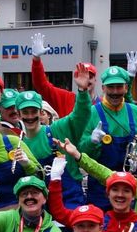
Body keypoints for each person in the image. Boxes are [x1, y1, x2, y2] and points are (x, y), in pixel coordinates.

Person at [12, 45, 93, 206]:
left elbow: (80, 115)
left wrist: (82, 91)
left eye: (33, 111)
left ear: (41, 111)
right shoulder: (16, 143)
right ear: (18, 114)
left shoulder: (57, 130)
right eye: (25, 112)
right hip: (38, 205)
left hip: (68, 199)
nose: (30, 116)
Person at [79, 66, 137, 208]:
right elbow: (81, 150)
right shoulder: (91, 113)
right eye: (110, 87)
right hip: (100, 188)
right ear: (103, 88)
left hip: (130, 186)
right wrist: (91, 141)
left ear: (126, 88)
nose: (114, 92)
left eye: (119, 87)